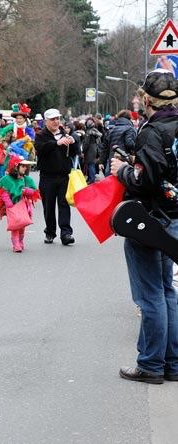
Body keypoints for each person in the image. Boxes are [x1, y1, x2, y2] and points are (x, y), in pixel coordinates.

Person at [111, 69, 178, 384]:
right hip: (174, 217)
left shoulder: (152, 131)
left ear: (147, 99)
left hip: (151, 220)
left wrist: (123, 169)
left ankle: (151, 365)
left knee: (150, 295)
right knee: (167, 291)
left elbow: (145, 182)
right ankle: (173, 364)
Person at [34, 108, 78, 245]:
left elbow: (75, 153)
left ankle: (66, 233)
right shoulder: (41, 135)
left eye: (57, 119)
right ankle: (50, 232)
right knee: (49, 205)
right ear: (46, 121)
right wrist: (56, 143)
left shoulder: (65, 133)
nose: (56, 121)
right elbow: (40, 149)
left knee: (64, 204)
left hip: (64, 176)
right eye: (52, 119)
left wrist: (73, 142)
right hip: (47, 176)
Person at [0, 156, 39, 252]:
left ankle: (21, 242)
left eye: (26, 166)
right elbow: (1, 191)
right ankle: (16, 244)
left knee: (22, 224)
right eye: (22, 166)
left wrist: (25, 191)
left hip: (24, 205)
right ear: (15, 167)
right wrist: (8, 203)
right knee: (15, 225)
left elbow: (35, 192)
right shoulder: (7, 179)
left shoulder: (27, 179)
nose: (25, 168)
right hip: (12, 206)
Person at [98, 109, 136, 176]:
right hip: (123, 160)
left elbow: (104, 148)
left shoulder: (111, 129)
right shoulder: (130, 128)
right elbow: (129, 143)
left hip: (111, 161)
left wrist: (101, 162)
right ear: (129, 118)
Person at [82, 118, 102, 184]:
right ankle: (91, 178)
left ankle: (91, 179)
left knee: (90, 164)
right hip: (95, 149)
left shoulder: (89, 132)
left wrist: (83, 151)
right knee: (92, 164)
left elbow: (86, 143)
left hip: (90, 150)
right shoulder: (95, 131)